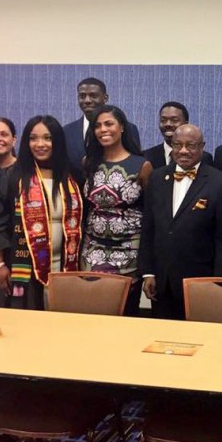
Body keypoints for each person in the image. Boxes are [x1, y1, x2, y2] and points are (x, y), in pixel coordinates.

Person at [0, 115, 83, 309]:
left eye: (47, 138)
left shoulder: (72, 176)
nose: (40, 144)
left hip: (65, 267)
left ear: (57, 141)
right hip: (23, 266)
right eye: (33, 138)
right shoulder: (12, 177)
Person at [139, 124, 222, 320]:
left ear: (202, 147)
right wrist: (148, 272)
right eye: (177, 145)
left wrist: (217, 282)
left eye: (190, 145)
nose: (183, 151)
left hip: (200, 280)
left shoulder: (220, 182)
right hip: (161, 281)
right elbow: (148, 228)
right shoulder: (157, 178)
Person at [81, 105, 153, 316]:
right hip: (92, 250)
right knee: (92, 314)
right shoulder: (88, 163)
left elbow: (150, 215)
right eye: (98, 125)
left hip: (129, 252)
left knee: (125, 314)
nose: (103, 129)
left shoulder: (142, 165)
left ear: (121, 127)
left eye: (109, 123)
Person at [63, 77, 141, 182]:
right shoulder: (66, 132)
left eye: (93, 96)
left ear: (105, 98)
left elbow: (135, 165)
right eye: (82, 96)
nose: (87, 101)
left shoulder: (129, 128)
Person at [143, 101, 213, 169]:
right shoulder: (146, 156)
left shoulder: (203, 157)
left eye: (174, 120)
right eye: (163, 120)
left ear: (186, 123)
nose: (168, 124)